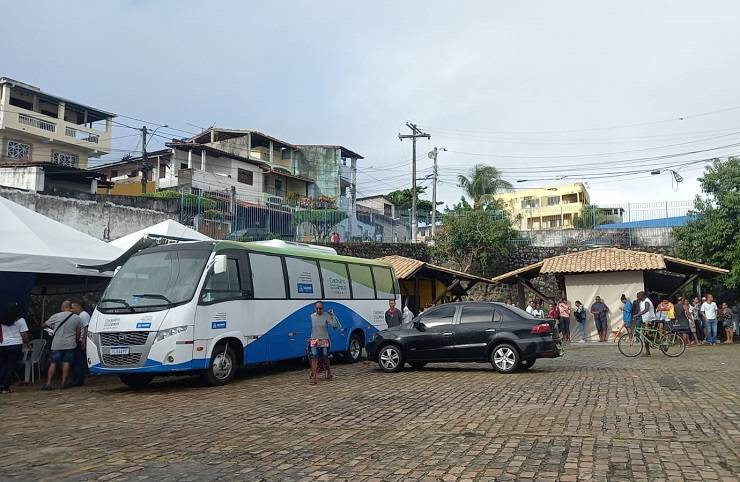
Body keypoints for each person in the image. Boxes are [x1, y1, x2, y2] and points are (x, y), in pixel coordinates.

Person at [41, 301, 82, 390]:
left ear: (62, 307)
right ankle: (63, 383)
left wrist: (50, 331)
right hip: (70, 344)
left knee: (53, 363)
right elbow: (78, 333)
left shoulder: (56, 316)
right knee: (66, 362)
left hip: (56, 344)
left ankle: (48, 384)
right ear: (70, 307)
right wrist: (76, 341)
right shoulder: (77, 318)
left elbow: (43, 325)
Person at [0, 302, 30, 394]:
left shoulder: (2, 320)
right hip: (15, 344)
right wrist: (27, 343)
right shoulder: (20, 320)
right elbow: (24, 334)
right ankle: (5, 387)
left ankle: (0, 385)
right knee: (10, 366)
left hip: (2, 344)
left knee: (2, 366)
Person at [308, 301, 339, 385]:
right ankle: (314, 377)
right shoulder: (312, 316)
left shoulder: (326, 316)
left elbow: (335, 326)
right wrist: (310, 339)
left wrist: (333, 316)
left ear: (323, 308)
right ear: (315, 308)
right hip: (314, 339)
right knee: (314, 356)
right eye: (317, 308)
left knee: (325, 356)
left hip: (324, 339)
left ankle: (328, 371)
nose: (318, 310)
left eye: (320, 308)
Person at [70, 300, 90, 387]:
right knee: (79, 361)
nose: (71, 310)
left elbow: (86, 328)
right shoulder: (82, 315)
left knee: (79, 361)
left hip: (81, 340)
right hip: (82, 340)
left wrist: (83, 341)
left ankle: (78, 380)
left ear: (78, 307)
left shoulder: (83, 315)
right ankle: (78, 379)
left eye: (72, 308)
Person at [634, 291, 657, 356]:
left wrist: (637, 315)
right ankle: (647, 352)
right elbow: (641, 311)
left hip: (650, 321)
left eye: (638, 296)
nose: (637, 297)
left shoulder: (647, 301)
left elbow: (646, 310)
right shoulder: (641, 302)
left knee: (649, 336)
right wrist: (637, 315)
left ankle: (663, 345)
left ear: (643, 296)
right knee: (645, 337)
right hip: (645, 321)